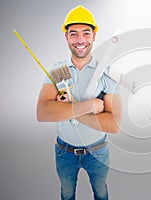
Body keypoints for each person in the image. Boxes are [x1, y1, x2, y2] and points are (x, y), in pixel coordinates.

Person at [36, 5, 121, 200]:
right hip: (64, 153)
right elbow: (42, 112)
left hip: (98, 152)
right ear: (66, 37)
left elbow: (113, 124)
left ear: (94, 36)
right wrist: (89, 107)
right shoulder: (57, 71)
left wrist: (66, 109)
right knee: (67, 194)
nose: (80, 40)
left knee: (101, 192)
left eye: (86, 33)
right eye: (73, 34)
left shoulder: (107, 73)